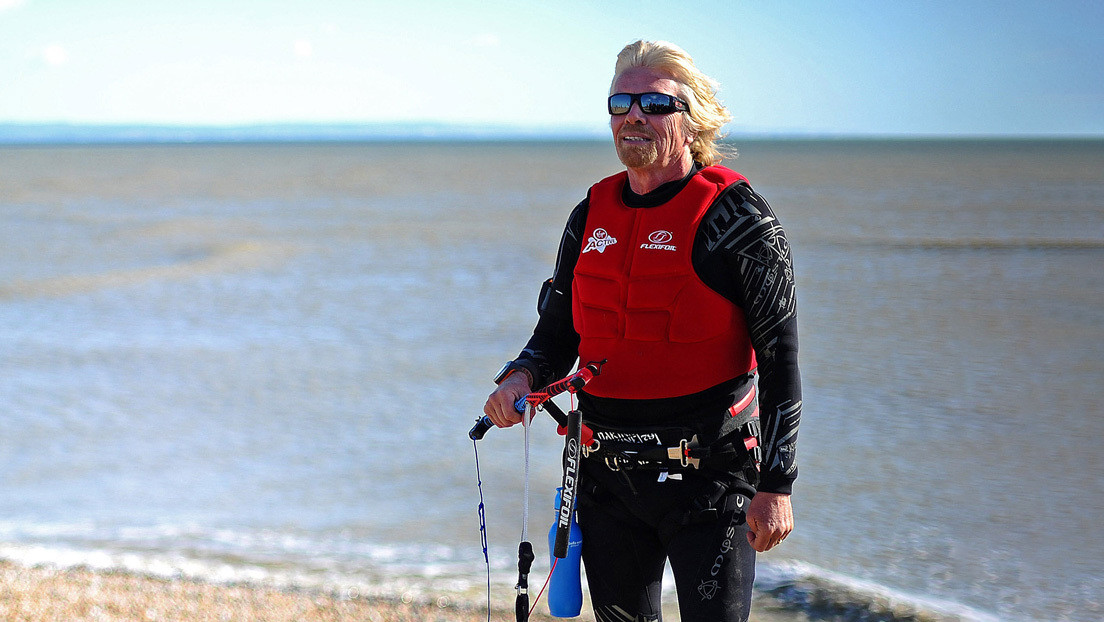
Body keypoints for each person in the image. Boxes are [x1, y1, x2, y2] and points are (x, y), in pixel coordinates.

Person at [483, 39, 801, 622]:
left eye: (654, 104)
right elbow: (555, 336)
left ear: (691, 119)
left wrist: (777, 483)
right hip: (607, 477)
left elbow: (781, 361)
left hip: (711, 479)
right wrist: (518, 378)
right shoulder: (589, 215)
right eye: (620, 102)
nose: (633, 115)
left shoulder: (739, 219)